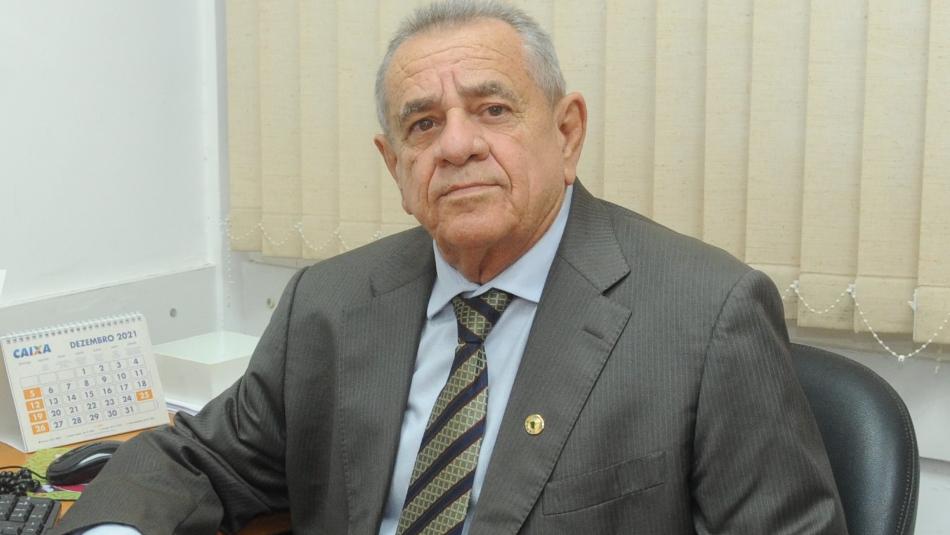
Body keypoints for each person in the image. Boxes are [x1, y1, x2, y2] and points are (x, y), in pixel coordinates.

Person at [52, 1, 847, 534]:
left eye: (493, 109)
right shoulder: (331, 304)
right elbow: (200, 460)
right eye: (423, 124)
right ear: (395, 165)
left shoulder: (703, 315)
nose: (458, 144)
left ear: (567, 133)